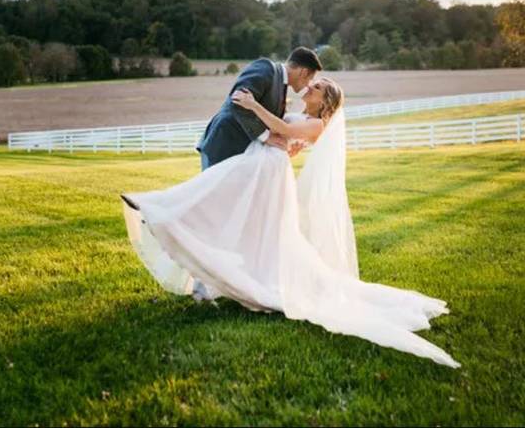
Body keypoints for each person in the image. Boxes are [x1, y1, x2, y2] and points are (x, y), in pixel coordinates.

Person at [121, 75, 459, 368]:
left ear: (326, 102)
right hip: (263, 164)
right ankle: (163, 211)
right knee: (226, 200)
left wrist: (254, 105)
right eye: (314, 82)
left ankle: (158, 207)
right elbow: (284, 132)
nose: (311, 85)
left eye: (319, 86)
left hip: (266, 171)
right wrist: (277, 133)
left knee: (217, 188)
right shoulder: (307, 117)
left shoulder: (317, 123)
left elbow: (282, 127)